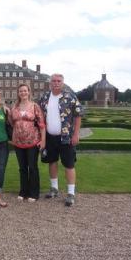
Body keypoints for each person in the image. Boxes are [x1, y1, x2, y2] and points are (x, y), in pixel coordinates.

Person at [39, 74, 83, 207]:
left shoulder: (70, 96)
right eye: (53, 81)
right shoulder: (45, 97)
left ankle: (70, 193)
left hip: (66, 137)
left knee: (69, 164)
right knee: (52, 162)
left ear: (62, 83)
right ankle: (54, 189)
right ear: (50, 83)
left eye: (59, 81)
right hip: (50, 137)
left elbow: (78, 115)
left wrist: (76, 134)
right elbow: (40, 116)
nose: (56, 83)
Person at [9, 83, 46, 202]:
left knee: (33, 167)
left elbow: (42, 125)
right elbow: (10, 122)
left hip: (33, 141)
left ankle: (34, 193)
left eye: (25, 91)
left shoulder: (35, 106)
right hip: (18, 142)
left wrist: (43, 140)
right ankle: (23, 191)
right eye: (21, 91)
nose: (23, 93)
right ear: (18, 93)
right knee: (22, 168)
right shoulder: (14, 107)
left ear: (29, 92)